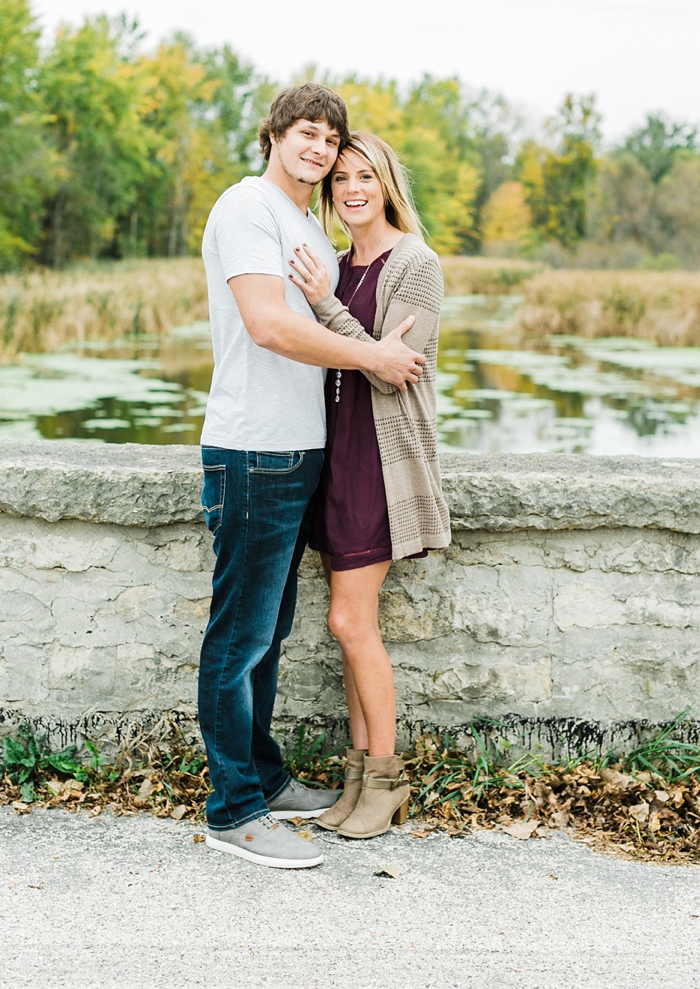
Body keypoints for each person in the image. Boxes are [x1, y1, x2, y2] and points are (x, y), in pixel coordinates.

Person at [198, 87, 427, 869]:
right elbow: (267, 323)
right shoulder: (245, 207)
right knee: (238, 638)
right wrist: (371, 353)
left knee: (268, 638)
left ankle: (261, 779)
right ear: (272, 134)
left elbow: (328, 312)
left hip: (301, 456)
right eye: (307, 133)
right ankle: (233, 811)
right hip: (254, 451)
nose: (321, 149)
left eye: (331, 139)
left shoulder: (305, 224)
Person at [289, 131, 451, 839]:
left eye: (365, 175)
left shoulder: (414, 263)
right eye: (341, 178)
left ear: (387, 183)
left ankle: (385, 780)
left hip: (380, 459)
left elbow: (392, 365)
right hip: (336, 455)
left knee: (349, 622)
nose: (352, 188)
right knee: (349, 626)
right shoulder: (337, 260)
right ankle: (359, 781)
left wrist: (323, 306)